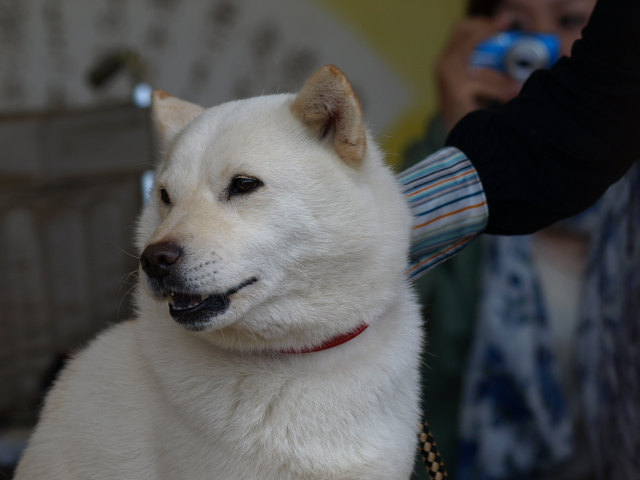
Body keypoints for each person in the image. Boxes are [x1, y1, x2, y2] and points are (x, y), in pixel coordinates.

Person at [400, 0, 640, 478]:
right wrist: (455, 137)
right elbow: (363, 313)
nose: (541, 47)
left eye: (570, 22)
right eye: (516, 27)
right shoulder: (437, 181)